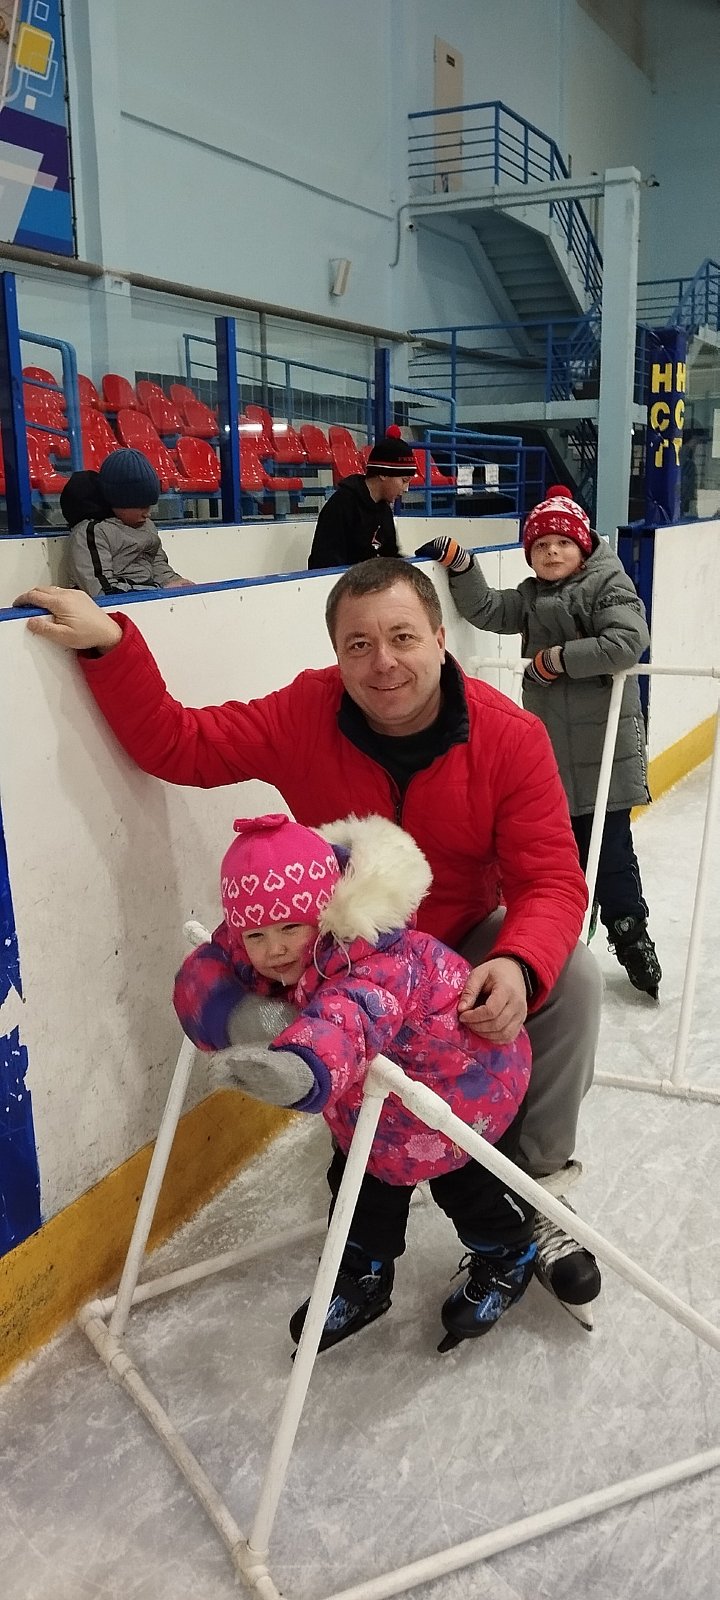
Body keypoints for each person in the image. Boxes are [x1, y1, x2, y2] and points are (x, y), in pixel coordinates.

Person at [15, 556, 603, 1327]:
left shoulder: (511, 738)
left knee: (575, 978)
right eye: (359, 644)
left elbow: (552, 880)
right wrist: (110, 645)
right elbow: (181, 744)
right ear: (336, 655)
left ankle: (535, 1185)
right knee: (248, 975)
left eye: (402, 637)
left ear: (439, 638)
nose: (383, 661)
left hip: (454, 948)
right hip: (342, 955)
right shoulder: (305, 712)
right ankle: (338, 1135)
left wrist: (518, 964)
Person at [174, 811, 536, 1353]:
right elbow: (210, 969)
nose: (274, 949)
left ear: (325, 914)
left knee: (472, 1195)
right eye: (256, 934)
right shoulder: (280, 949)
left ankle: (509, 1256)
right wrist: (236, 1013)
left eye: (290, 929)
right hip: (378, 1117)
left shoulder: (376, 960)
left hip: (467, 1104)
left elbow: (346, 1021)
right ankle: (365, 1274)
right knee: (356, 1193)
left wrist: (299, 1070)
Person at [416, 485, 661, 999]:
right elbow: (487, 609)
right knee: (557, 859)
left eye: (563, 543)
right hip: (551, 758)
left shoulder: (607, 583)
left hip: (603, 751)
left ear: (584, 547)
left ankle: (630, 932)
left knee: (610, 852)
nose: (551, 552)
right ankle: (560, 941)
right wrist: (462, 565)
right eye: (541, 545)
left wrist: (557, 660)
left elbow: (627, 640)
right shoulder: (530, 597)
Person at [63, 449, 193, 595]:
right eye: (141, 507)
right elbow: (101, 591)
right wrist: (158, 591)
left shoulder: (147, 525)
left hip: (149, 595)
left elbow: (157, 564)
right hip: (113, 605)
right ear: (119, 501)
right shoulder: (92, 532)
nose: (148, 513)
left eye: (150, 506)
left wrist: (173, 582)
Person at [307, 426, 416, 569]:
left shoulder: (384, 510)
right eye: (404, 480)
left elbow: (391, 557)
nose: (406, 489)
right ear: (383, 474)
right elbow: (325, 563)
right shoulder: (342, 504)